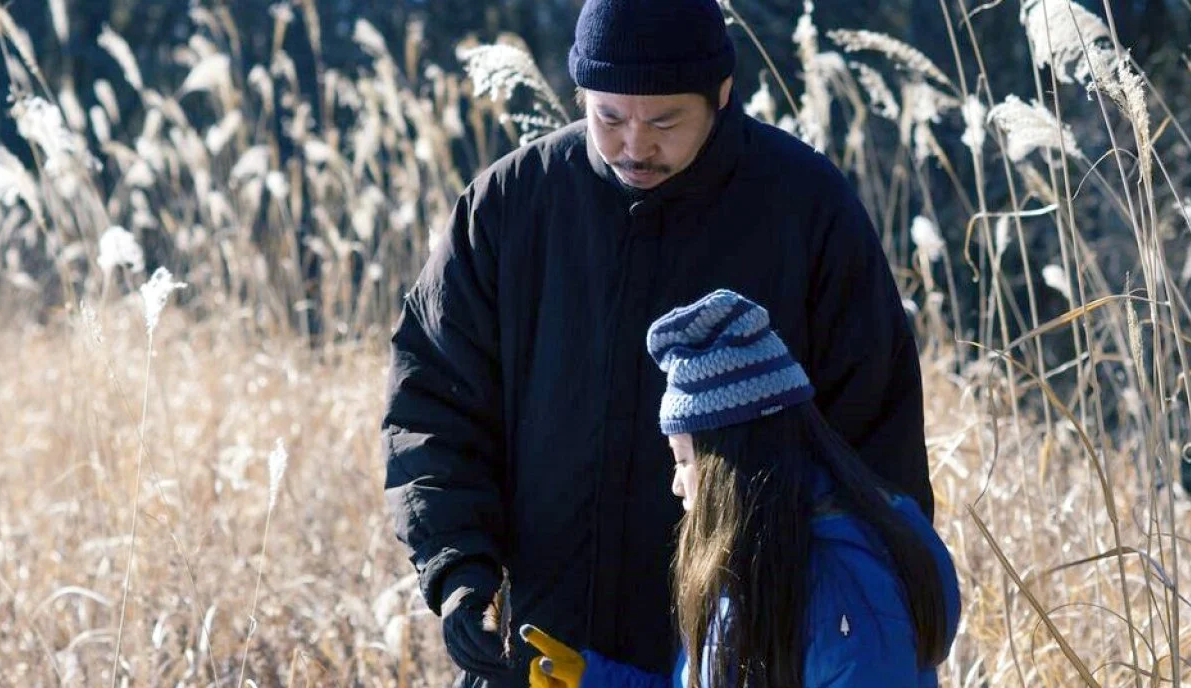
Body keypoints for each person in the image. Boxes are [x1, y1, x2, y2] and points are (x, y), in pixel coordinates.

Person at [380, 0, 934, 684]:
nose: (635, 146)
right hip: (540, 652)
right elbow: (433, 406)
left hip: (740, 650)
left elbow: (874, 451)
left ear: (721, 95)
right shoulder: (510, 205)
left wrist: (857, 619)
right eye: (609, 118)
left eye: (665, 122)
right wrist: (458, 569)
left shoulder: (808, 210)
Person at [517, 290, 960, 688]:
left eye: (684, 459)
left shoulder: (846, 590)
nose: (676, 484)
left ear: (729, 464)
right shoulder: (760, 565)